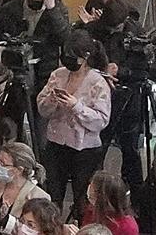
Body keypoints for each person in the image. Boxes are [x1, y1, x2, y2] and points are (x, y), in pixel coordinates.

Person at [35, 31, 111, 212]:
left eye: (72, 56)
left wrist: (76, 106)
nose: (67, 60)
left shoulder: (98, 82)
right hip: (56, 143)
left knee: (82, 199)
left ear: (84, 57)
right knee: (52, 194)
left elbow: (101, 120)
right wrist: (51, 101)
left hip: (84, 149)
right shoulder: (58, 75)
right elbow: (41, 108)